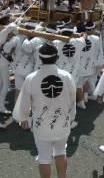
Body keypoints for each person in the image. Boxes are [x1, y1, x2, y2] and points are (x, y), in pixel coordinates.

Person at [13, 43, 76, 178]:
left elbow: (24, 102)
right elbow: (72, 101)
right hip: (63, 123)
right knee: (61, 152)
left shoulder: (31, 78)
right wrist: (71, 117)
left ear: (39, 58)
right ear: (57, 57)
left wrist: (23, 118)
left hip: (41, 126)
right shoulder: (67, 76)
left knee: (44, 157)